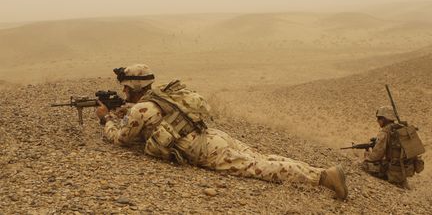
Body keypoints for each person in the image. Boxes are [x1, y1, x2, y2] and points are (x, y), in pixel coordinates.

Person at [95, 64, 348, 200]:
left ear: (131, 87)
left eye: (125, 89)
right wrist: (124, 112)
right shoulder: (161, 95)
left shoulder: (141, 110)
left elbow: (120, 139)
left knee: (257, 168)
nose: (124, 93)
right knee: (263, 157)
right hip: (213, 135)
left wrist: (106, 119)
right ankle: (321, 172)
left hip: (206, 150)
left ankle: (324, 178)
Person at [363, 106, 425, 189]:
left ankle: (393, 179)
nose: (377, 121)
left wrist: (367, 155)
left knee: (365, 165)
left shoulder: (385, 132)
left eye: (379, 118)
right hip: (407, 169)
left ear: (384, 119)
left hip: (393, 171)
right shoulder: (401, 128)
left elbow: (376, 155)